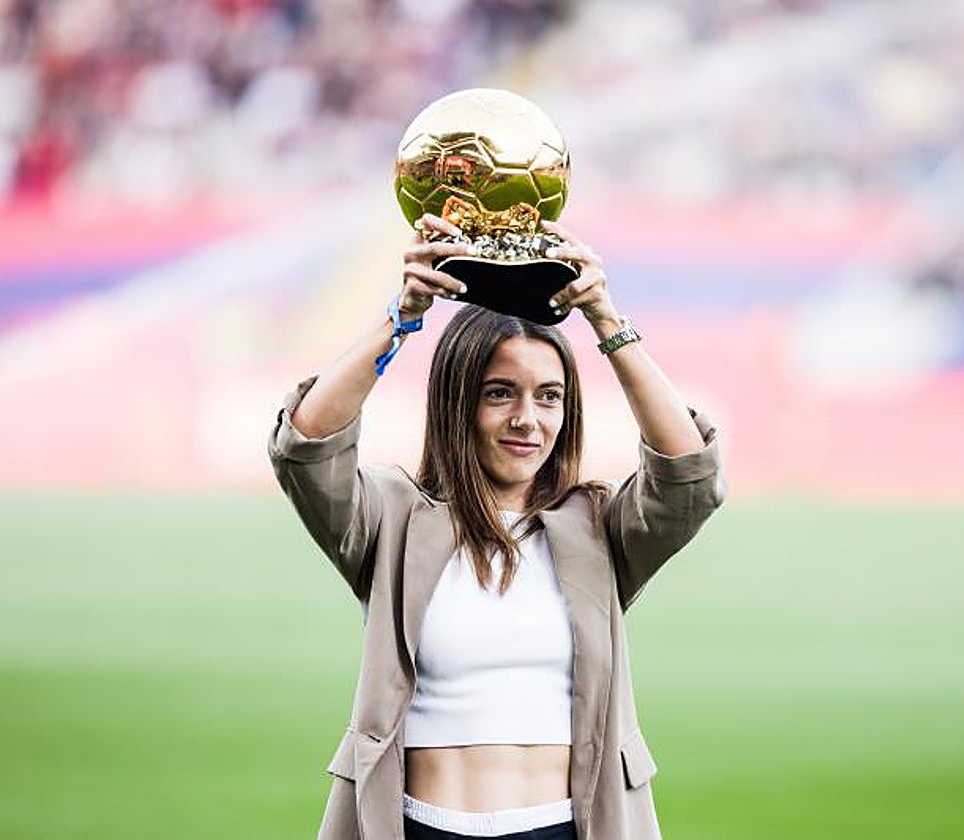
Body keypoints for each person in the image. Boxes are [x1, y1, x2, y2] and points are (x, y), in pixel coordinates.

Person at [268, 213, 725, 839]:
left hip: (563, 827)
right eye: (499, 392)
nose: (527, 420)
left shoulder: (597, 528)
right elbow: (307, 445)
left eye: (549, 396)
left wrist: (607, 322)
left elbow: (688, 475)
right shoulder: (395, 519)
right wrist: (402, 316)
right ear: (459, 401)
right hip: (421, 825)